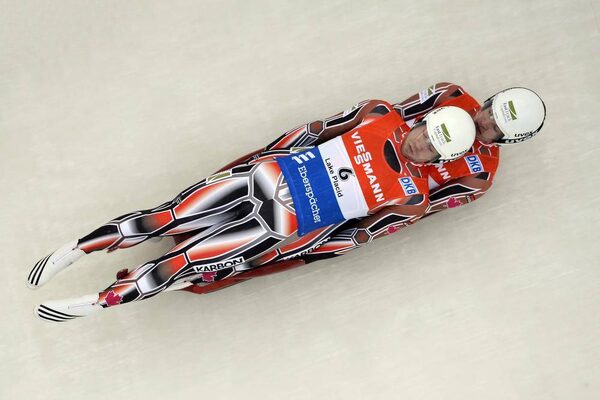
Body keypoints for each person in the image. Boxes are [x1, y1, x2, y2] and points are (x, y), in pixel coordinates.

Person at [28, 102, 476, 322]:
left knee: (183, 262)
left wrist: (296, 251)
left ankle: (101, 302)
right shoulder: (380, 114)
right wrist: (265, 157)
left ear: (439, 159)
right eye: (426, 132)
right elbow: (315, 130)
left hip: (278, 227)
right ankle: (78, 248)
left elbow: (357, 235)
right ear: (421, 121)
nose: (421, 143)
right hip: (260, 179)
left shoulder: (413, 199)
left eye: (432, 147)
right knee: (166, 217)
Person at [225, 84, 546, 272]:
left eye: (494, 127)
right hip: (361, 155)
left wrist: (376, 214)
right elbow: (393, 114)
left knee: (352, 238)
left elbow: (425, 208)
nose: (484, 123)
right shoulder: (449, 94)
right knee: (307, 139)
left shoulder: (480, 176)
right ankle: (246, 169)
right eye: (490, 112)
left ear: (506, 139)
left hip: (379, 195)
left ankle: (253, 262)